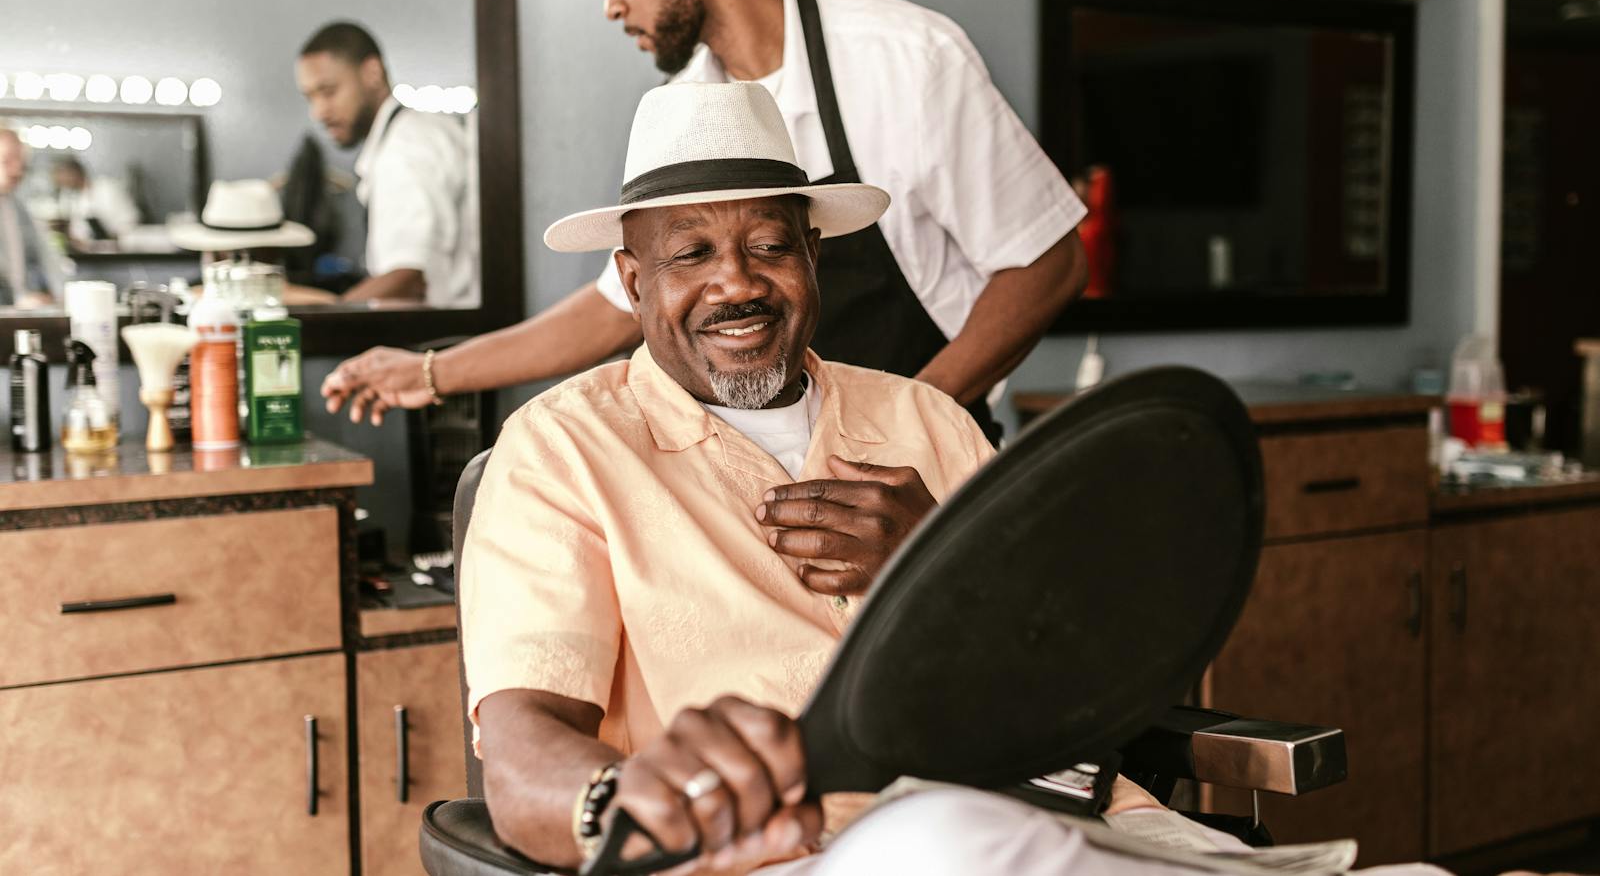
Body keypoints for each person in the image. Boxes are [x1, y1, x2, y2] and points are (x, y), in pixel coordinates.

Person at [464, 83, 1457, 876]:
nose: (737, 281)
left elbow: (1090, 677)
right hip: (802, 852)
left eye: (770, 244)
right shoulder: (560, 453)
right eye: (692, 254)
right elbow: (520, 746)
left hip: (1067, 825)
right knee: (933, 842)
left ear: (814, 253)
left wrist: (939, 566)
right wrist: (619, 801)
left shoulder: (925, 420)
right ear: (635, 281)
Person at [322, 0, 1087, 443]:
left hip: (925, 461)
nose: (611, 3)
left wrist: (907, 421)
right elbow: (609, 309)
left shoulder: (904, 57)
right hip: (767, 465)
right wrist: (428, 373)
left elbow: (1047, 263)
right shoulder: (687, 105)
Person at [294, 21, 478, 306]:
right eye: (310, 97)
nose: (318, 112)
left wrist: (331, 316)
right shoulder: (415, 134)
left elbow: (408, 278)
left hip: (443, 339)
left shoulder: (405, 149)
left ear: (372, 73)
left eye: (328, 91)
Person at [0, 128, 63, 307]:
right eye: (7, 161)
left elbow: (44, 258)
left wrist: (58, 292)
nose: (17, 170)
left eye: (21, 162)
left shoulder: (16, 207)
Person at [48, 155, 141, 241]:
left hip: (122, 246)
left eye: (61, 177)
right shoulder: (77, 199)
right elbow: (78, 231)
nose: (60, 183)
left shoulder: (107, 188)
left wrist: (114, 236)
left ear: (74, 173)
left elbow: (131, 219)